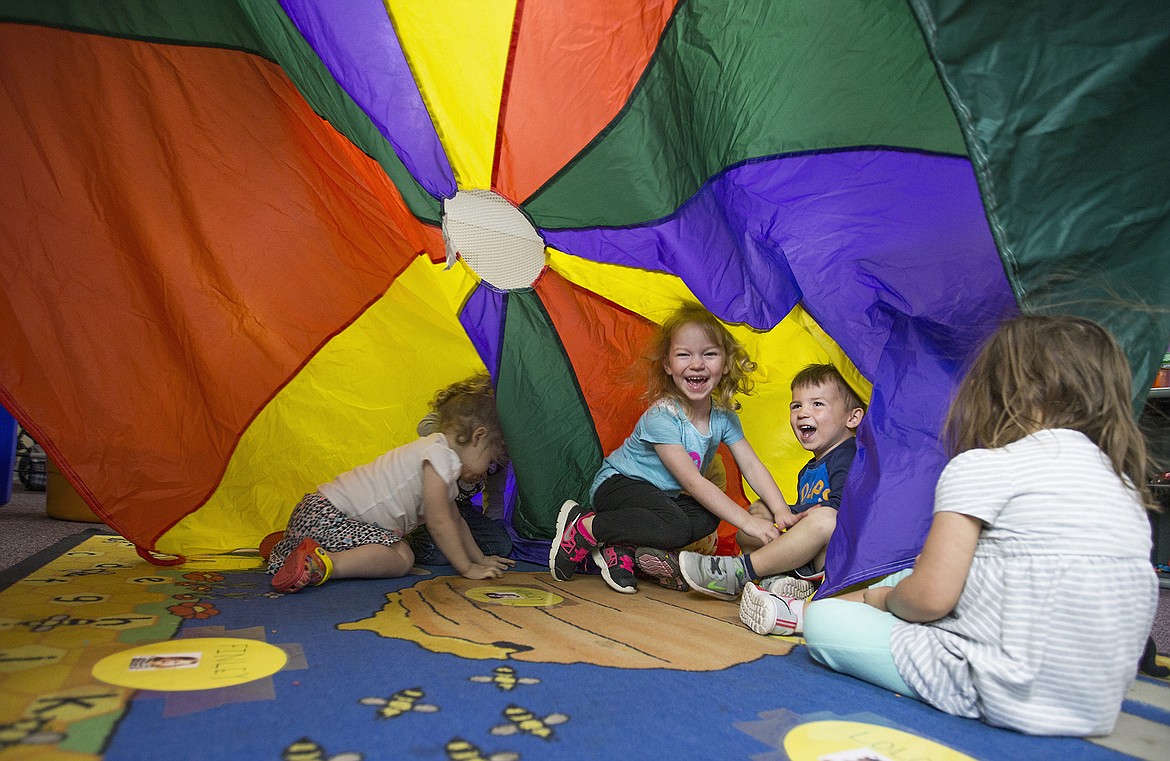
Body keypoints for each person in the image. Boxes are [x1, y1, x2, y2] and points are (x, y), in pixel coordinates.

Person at [758, 315, 1159, 736]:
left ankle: (807, 611)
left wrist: (882, 601)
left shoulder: (983, 467)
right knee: (912, 573)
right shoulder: (1123, 486)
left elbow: (932, 599)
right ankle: (818, 602)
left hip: (999, 688)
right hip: (1095, 706)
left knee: (830, 620)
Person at [548, 302, 791, 594]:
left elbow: (751, 465)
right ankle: (587, 527)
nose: (697, 363)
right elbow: (692, 481)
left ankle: (622, 543)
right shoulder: (663, 416)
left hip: (658, 502)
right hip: (617, 486)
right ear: (667, 364)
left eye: (709, 354)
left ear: (726, 362)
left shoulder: (723, 416)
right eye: (684, 354)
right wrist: (749, 523)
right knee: (675, 524)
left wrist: (780, 511)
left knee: (706, 517)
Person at [267, 382, 515, 593]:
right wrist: (467, 568)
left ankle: (293, 546)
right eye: (491, 458)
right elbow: (440, 524)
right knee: (401, 558)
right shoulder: (439, 456)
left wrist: (480, 558)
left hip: (321, 514)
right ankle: (324, 562)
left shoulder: (439, 459)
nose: (488, 469)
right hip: (331, 517)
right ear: (478, 437)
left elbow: (457, 521)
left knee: (402, 552)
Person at [678, 363, 865, 600]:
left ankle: (739, 571)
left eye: (817, 404)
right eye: (796, 405)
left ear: (853, 417)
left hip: (838, 560)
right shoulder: (809, 469)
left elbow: (840, 509)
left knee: (825, 519)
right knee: (750, 531)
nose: (803, 413)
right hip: (811, 561)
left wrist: (786, 513)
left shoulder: (851, 455)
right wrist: (774, 514)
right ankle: (780, 580)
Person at [406, 372, 513, 565]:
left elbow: (495, 495)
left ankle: (451, 544)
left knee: (501, 545)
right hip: (427, 507)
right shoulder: (457, 436)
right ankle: (415, 539)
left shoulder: (500, 457)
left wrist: (492, 525)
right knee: (438, 554)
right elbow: (424, 426)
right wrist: (459, 449)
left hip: (460, 508)